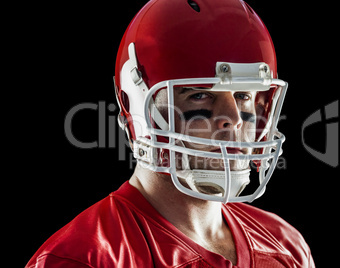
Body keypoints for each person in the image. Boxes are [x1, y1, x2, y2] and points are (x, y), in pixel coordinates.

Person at [26, 0, 315, 267]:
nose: (234, 120)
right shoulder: (83, 258)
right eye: (200, 95)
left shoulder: (286, 245)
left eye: (242, 95)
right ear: (140, 107)